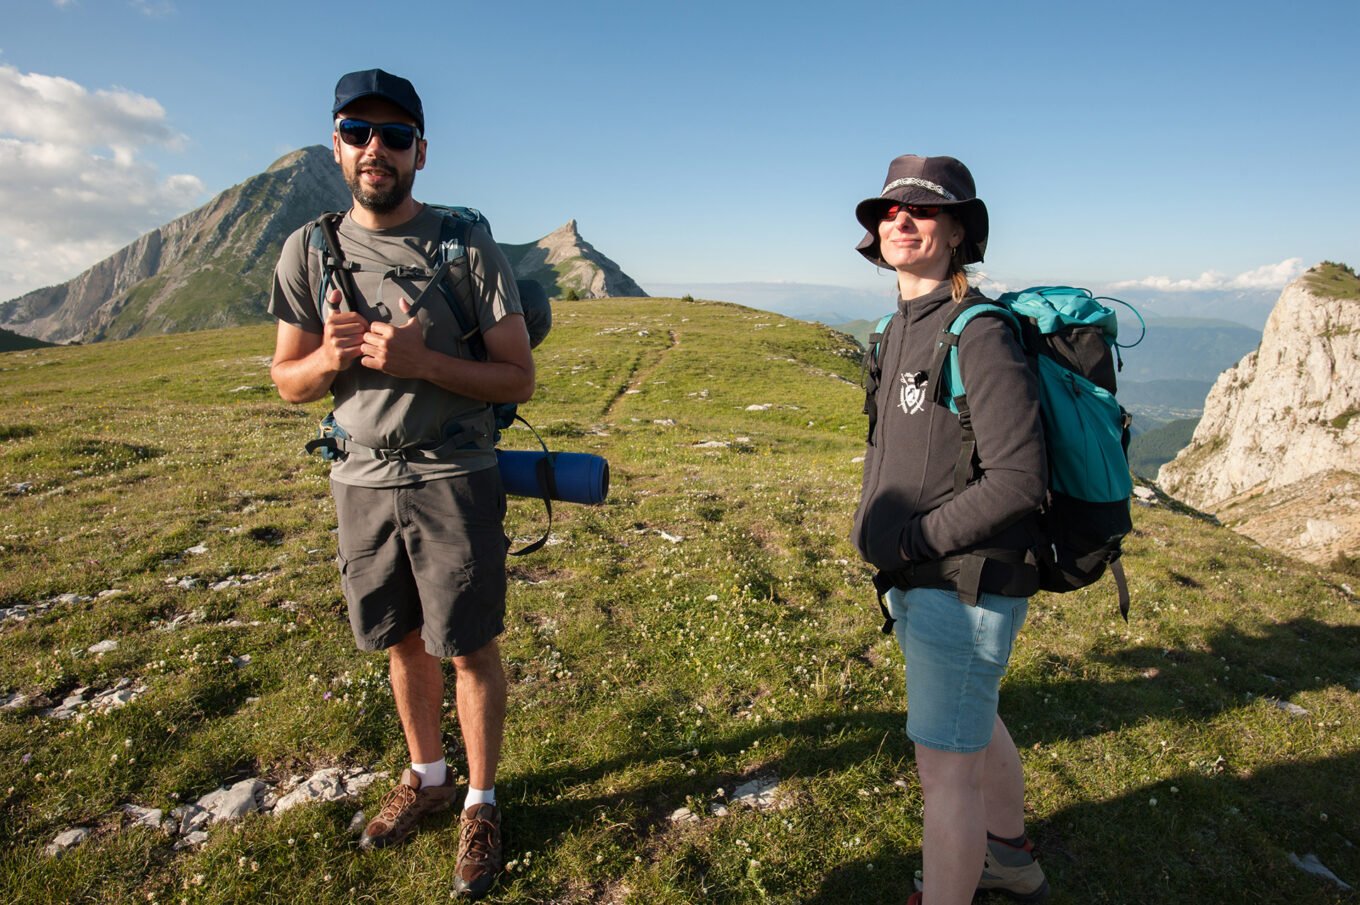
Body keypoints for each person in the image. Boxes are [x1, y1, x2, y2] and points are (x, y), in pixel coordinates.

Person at [268, 68, 533, 900]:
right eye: (358, 132)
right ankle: (427, 776)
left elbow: (517, 377)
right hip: (359, 480)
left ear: (422, 150)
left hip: (455, 473)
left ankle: (482, 801)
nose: (375, 148)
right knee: (400, 640)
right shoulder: (308, 251)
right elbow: (288, 380)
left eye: (394, 135)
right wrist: (331, 357)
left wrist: (422, 362)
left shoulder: (464, 243)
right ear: (337, 145)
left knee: (469, 643)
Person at [850, 155, 1051, 905]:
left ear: (959, 230)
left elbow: (1019, 480)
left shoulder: (980, 332)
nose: (901, 219)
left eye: (924, 210)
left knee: (945, 774)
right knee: (974, 717)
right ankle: (1009, 856)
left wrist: (910, 541)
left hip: (963, 585)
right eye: (889, 209)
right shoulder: (892, 329)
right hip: (920, 580)